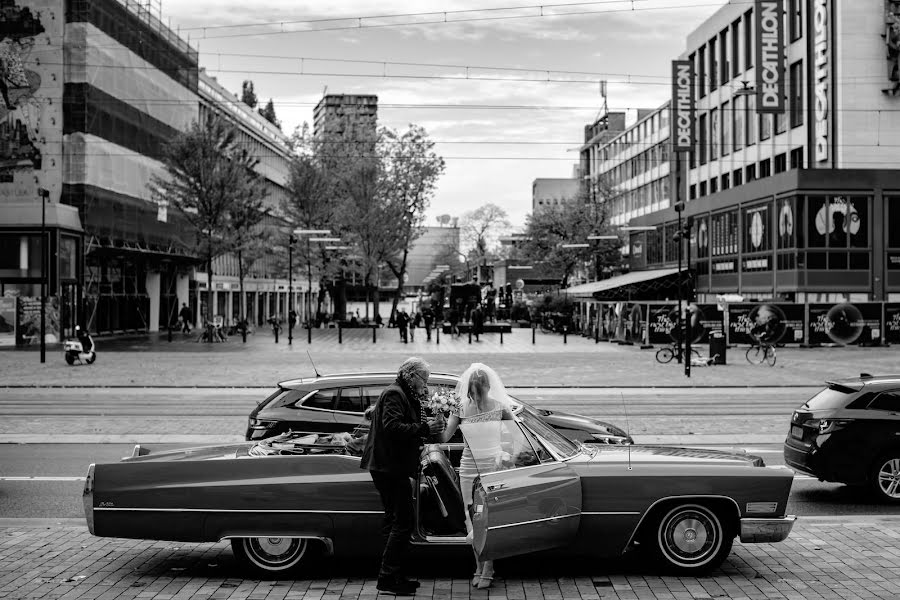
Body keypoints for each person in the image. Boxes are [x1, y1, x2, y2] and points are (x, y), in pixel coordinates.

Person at [360, 357, 444, 596]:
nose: (425, 384)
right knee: (403, 521)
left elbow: (402, 425)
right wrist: (426, 429)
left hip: (389, 466)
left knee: (394, 520)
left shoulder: (402, 392)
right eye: (423, 379)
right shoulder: (395, 393)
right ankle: (388, 578)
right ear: (411, 375)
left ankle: (394, 575)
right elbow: (392, 428)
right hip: (389, 467)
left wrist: (422, 424)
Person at [436, 363, 513, 590]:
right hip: (469, 468)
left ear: (487, 388)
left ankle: (487, 568)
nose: (478, 394)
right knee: (473, 518)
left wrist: (505, 453)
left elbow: (514, 437)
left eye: (480, 390)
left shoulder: (500, 408)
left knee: (487, 518)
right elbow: (444, 436)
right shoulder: (459, 409)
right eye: (476, 390)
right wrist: (438, 419)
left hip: (492, 466)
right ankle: (480, 567)